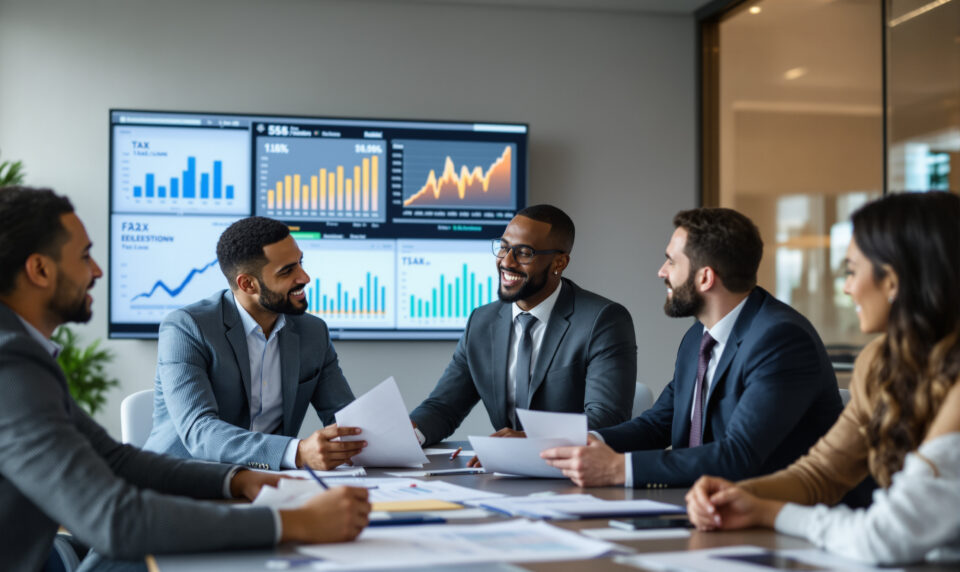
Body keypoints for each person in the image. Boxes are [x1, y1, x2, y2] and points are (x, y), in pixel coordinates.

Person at [0, 187, 369, 571]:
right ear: (40, 270)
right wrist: (293, 522)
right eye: (85, 256)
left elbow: (114, 459)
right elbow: (114, 519)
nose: (98, 271)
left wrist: (237, 479)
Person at [685, 192, 960, 565]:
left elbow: (884, 538)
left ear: (892, 281)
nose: (846, 287)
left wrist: (769, 512)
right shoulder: (880, 362)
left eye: (851, 271)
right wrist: (735, 494)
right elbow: (821, 474)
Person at [542, 207, 842, 488]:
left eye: (671, 261)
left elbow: (740, 456)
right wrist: (581, 442)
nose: (662, 271)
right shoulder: (698, 335)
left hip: (776, 519)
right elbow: (659, 424)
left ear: (705, 277)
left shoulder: (780, 340)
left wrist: (620, 468)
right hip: (704, 506)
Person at [144, 216, 364, 471]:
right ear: (247, 284)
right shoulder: (187, 327)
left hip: (269, 480)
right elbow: (199, 431)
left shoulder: (313, 332)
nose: (305, 277)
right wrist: (298, 452)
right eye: (287, 271)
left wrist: (385, 442)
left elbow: (347, 420)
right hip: (186, 482)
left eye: (300, 263)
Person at [409, 204, 637, 447]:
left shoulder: (603, 320)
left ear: (559, 262)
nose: (507, 262)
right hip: (505, 474)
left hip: (572, 474)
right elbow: (444, 407)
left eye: (524, 253)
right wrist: (403, 435)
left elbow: (606, 419)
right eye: (504, 248)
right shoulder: (482, 321)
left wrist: (530, 441)